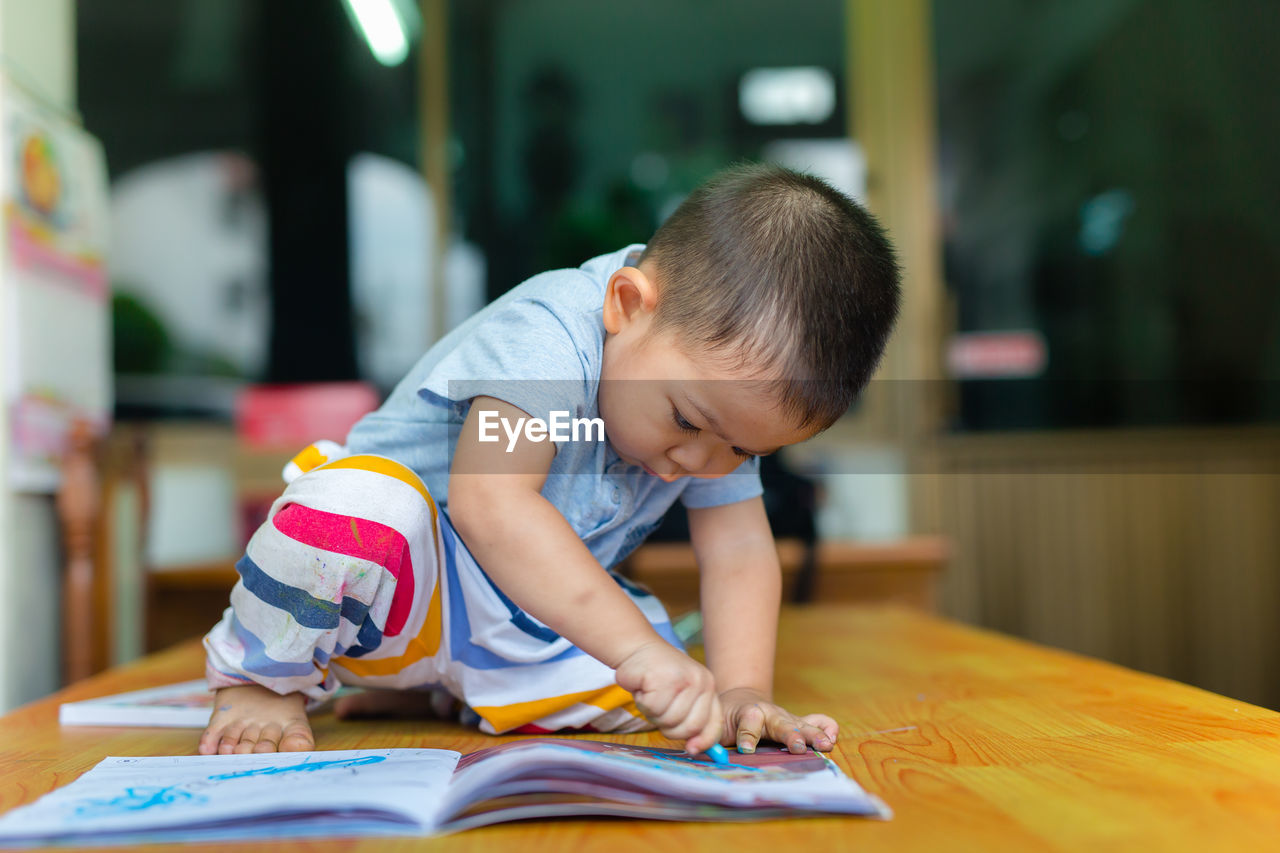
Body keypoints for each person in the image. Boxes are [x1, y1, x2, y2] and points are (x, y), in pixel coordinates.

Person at [199, 162, 901, 758]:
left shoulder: (715, 400)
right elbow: (490, 505)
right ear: (627, 305)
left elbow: (741, 549)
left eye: (743, 450)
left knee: (674, 690)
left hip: (515, 615)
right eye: (686, 420)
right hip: (391, 586)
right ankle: (259, 680)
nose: (694, 461)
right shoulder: (549, 334)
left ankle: (443, 688)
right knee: (355, 508)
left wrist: (741, 687)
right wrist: (634, 650)